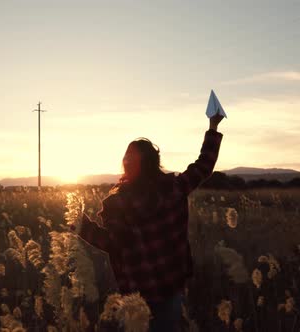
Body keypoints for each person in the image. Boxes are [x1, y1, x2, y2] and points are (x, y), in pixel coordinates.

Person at [72, 114, 224, 331]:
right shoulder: (174, 188)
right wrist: (213, 125)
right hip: (171, 285)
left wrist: (81, 225)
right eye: (126, 155)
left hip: (137, 293)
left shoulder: (118, 203)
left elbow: (112, 244)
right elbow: (204, 165)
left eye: (129, 156)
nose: (125, 159)